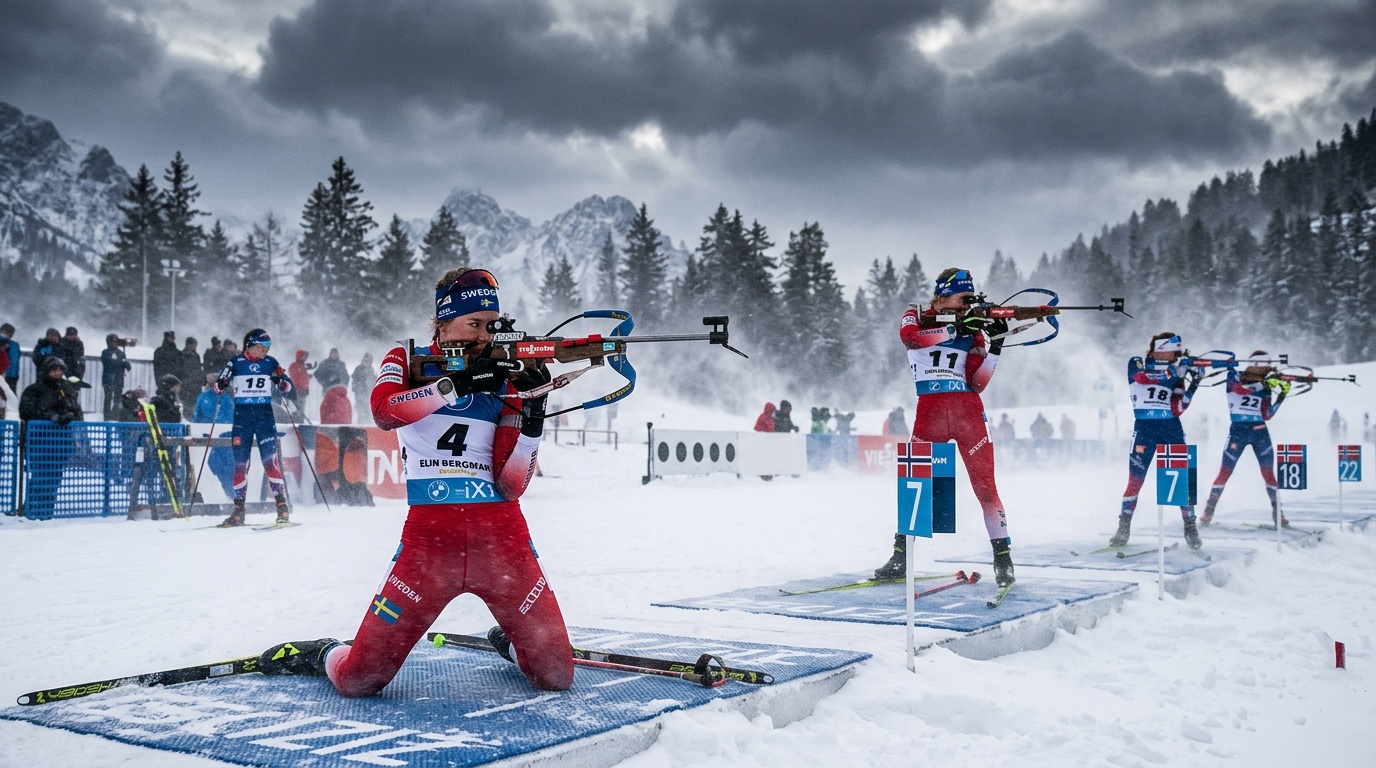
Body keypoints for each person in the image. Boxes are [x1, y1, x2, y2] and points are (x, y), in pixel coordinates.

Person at [252, 266, 573, 699]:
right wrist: (457, 384)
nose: (484, 336)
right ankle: (325, 652)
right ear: (442, 324)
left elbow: (511, 484)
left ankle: (512, 642)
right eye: (474, 324)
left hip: (503, 541)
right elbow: (385, 411)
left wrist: (533, 416)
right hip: (430, 545)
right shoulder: (407, 359)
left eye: (491, 325)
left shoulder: (506, 379)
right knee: (358, 679)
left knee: (555, 676)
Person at [873, 268, 1015, 587]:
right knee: (915, 486)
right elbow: (910, 338)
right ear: (941, 297)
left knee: (986, 488)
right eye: (963, 299)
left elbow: (978, 383)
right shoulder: (915, 314)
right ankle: (900, 557)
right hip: (930, 413)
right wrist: (955, 328)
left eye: (971, 300)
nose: (968, 305)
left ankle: (1003, 559)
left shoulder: (974, 330)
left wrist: (995, 346)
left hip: (968, 414)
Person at [1109, 332, 1203, 549]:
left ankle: (1190, 527)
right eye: (1174, 351)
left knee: (1183, 480)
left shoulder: (1175, 373)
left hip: (1171, 428)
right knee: (1135, 481)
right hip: (1145, 429)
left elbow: (1178, 408)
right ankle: (1123, 527)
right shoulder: (1137, 363)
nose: (1177, 355)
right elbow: (1142, 378)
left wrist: (1194, 382)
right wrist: (1174, 371)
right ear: (1161, 350)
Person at [214, 329, 298, 526]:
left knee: (270, 463)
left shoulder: (270, 363)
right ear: (249, 345)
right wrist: (222, 383)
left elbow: (289, 388)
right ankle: (238, 512)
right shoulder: (235, 362)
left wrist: (280, 382)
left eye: (267, 348)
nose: (264, 351)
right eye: (261, 347)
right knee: (241, 465)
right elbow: (217, 387)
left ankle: (282, 508)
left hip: (264, 418)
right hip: (242, 419)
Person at [1200, 353, 1290, 528]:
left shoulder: (1266, 385)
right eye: (1265, 367)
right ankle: (1208, 511)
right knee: (1225, 472)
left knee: (1268, 474)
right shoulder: (1234, 375)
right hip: (1238, 432)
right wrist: (1262, 385)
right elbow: (1239, 390)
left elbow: (1267, 414)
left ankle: (1278, 513)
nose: (1267, 370)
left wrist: (1282, 395)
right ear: (1255, 365)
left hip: (1260, 432)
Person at [18, 358, 84, 519]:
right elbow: (27, 411)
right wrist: (53, 417)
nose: (58, 373)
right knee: (41, 476)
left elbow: (76, 410)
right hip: (40, 441)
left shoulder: (66, 389)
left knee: (54, 476)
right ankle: (32, 509)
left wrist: (71, 417)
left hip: (61, 442)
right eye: (54, 370)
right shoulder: (35, 389)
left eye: (60, 370)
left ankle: (47, 510)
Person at [100, 334, 132, 421]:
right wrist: (121, 362)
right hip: (108, 379)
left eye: (117, 341)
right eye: (113, 341)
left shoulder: (121, 353)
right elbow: (109, 363)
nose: (116, 343)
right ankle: (107, 416)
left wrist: (126, 364)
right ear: (109, 342)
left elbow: (126, 365)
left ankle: (115, 415)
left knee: (117, 398)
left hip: (119, 379)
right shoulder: (105, 352)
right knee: (108, 398)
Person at [178, 337, 202, 416]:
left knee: (194, 404)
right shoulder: (181, 355)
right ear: (188, 345)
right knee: (187, 404)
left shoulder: (196, 356)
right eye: (193, 345)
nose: (195, 347)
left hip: (195, 384)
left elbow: (198, 369)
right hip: (187, 384)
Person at [288, 349, 314, 414]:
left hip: (304, 391)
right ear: (300, 356)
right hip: (297, 390)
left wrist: (308, 376)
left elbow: (302, 377)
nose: (305, 358)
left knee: (301, 409)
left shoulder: (303, 366)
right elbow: (295, 377)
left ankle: (300, 418)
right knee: (297, 409)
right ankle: (296, 418)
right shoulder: (294, 366)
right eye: (304, 356)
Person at [351, 352, 375, 421]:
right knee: (361, 412)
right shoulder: (358, 369)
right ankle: (361, 423)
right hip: (360, 393)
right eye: (366, 359)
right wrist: (357, 388)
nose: (367, 361)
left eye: (368, 359)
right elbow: (354, 380)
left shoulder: (371, 369)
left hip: (368, 394)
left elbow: (372, 381)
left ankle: (368, 423)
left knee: (368, 411)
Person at [1, 322, 20, 393]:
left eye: (11, 333)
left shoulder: (14, 345)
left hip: (11, 375)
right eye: (7, 332)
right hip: (6, 374)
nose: (9, 334)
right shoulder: (13, 345)